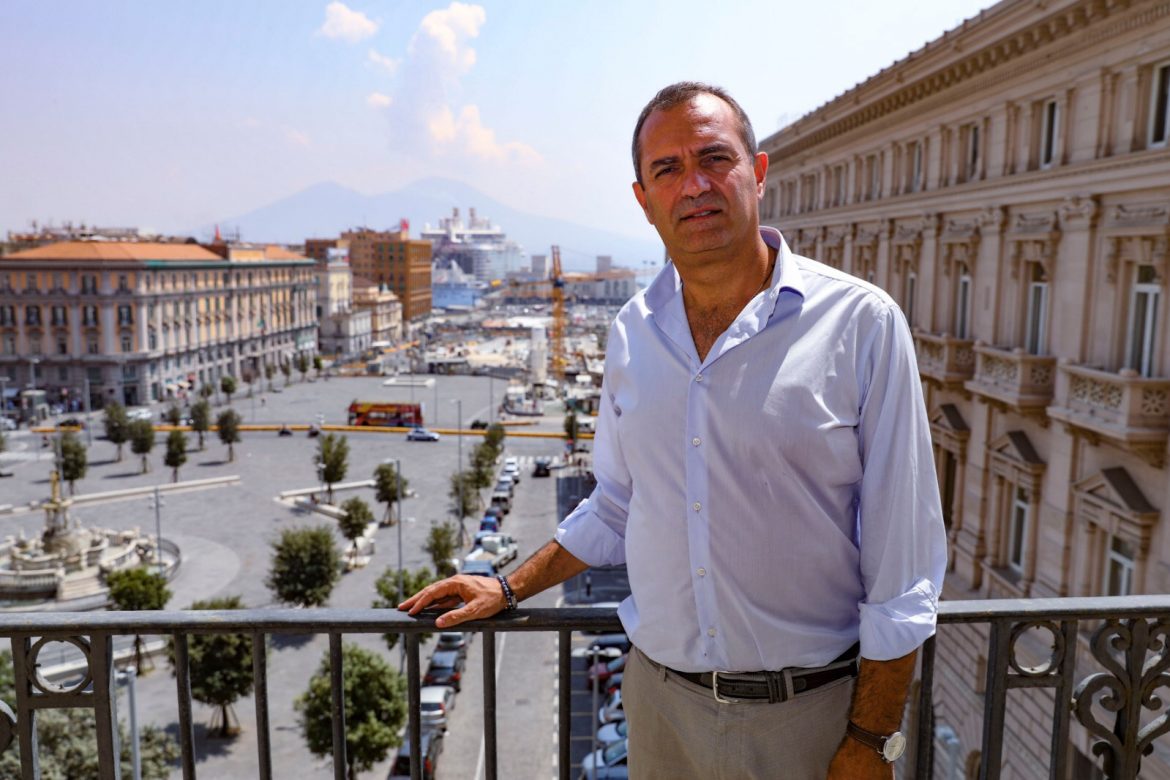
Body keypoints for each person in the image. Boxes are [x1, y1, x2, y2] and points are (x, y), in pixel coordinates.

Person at [400, 82, 947, 779]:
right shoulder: (633, 331)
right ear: (643, 199)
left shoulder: (862, 323)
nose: (694, 185)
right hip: (659, 709)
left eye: (715, 158)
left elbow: (904, 561)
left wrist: (872, 739)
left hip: (807, 718)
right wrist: (507, 588)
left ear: (758, 172)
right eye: (668, 169)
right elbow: (615, 503)